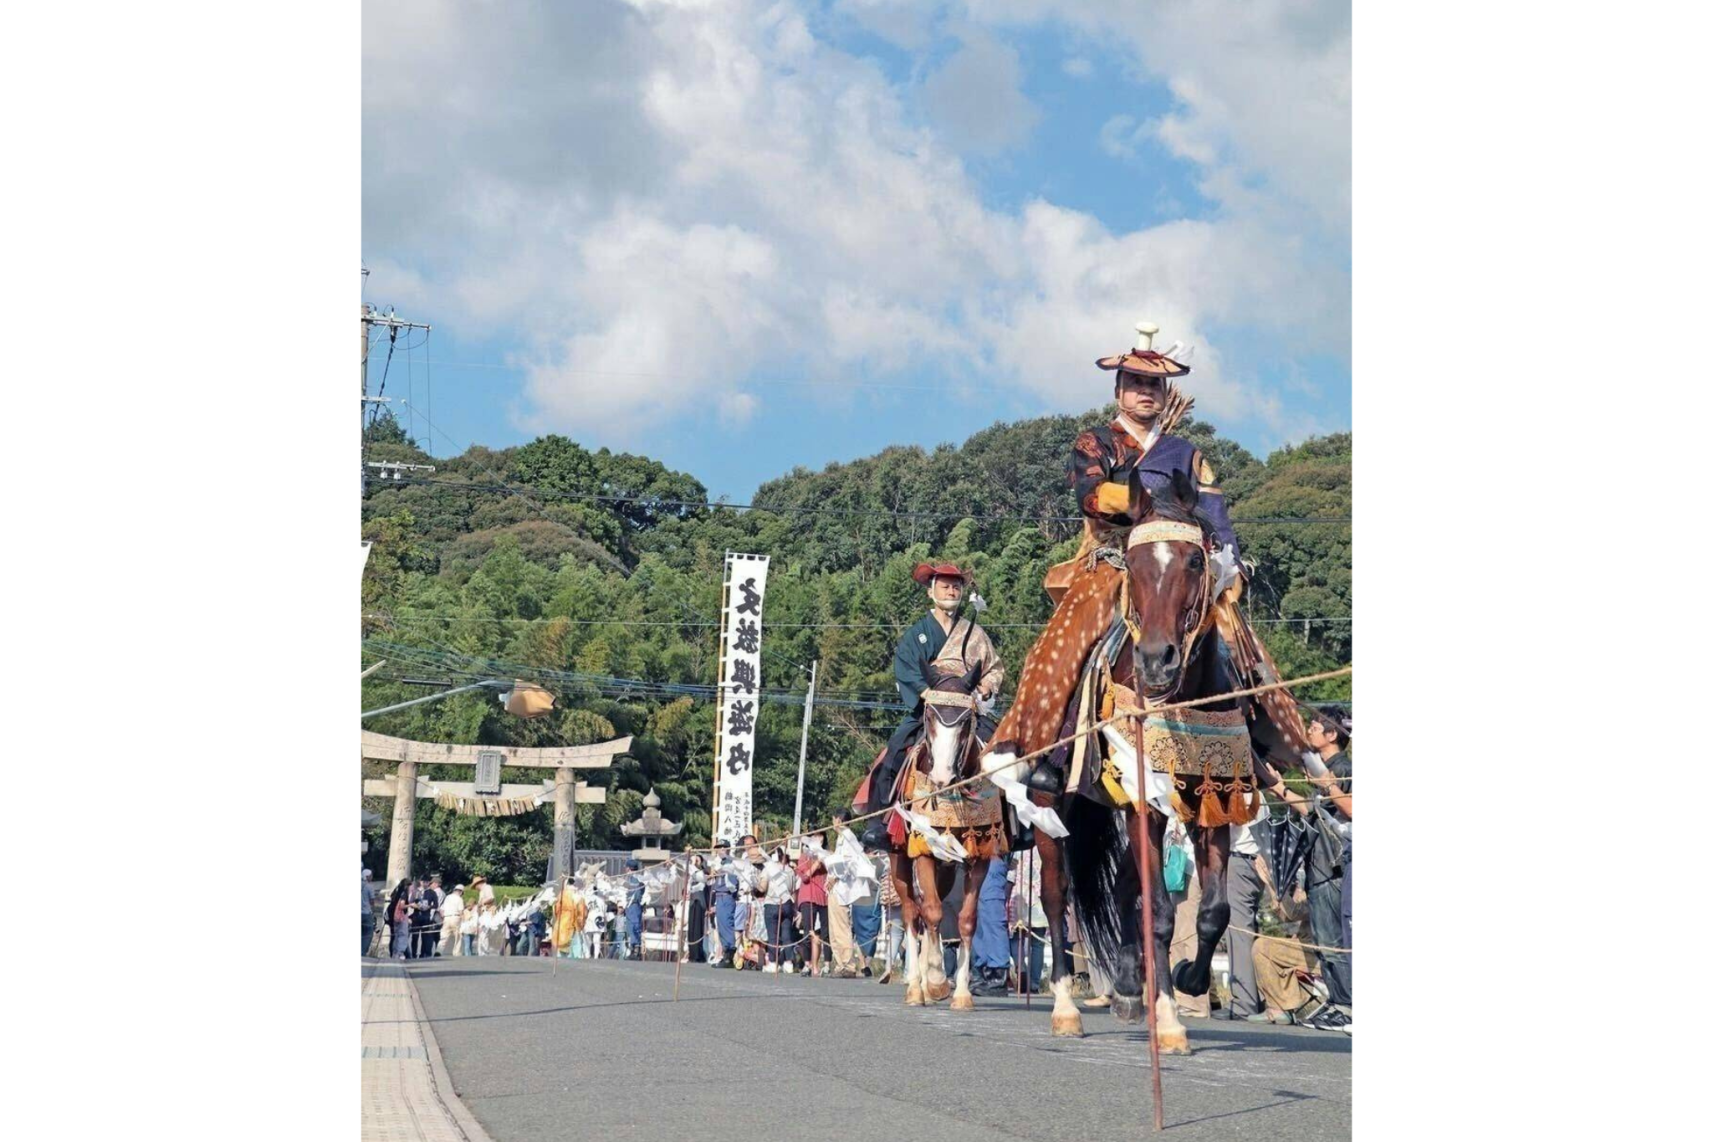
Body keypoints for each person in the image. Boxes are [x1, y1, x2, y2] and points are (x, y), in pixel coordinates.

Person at [857, 562, 1005, 848]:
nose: (952, 590)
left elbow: (994, 668)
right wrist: (927, 693)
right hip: (931, 707)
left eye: (956, 586)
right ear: (931, 591)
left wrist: (987, 686)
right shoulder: (918, 634)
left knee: (1005, 753)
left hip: (967, 708)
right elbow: (906, 667)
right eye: (945, 585)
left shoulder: (975, 632)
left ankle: (1013, 824)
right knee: (893, 754)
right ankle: (880, 823)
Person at [971, 855, 1011, 996]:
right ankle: (980, 972)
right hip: (975, 855)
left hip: (994, 852)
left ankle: (997, 976)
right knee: (976, 915)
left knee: (991, 912)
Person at [1008, 848, 1046, 995]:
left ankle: (1022, 969)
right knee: (1038, 943)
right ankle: (1034, 983)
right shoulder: (1045, 844)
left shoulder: (1018, 847)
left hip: (1019, 895)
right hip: (1039, 896)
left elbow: (1011, 873)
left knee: (1016, 939)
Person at [759, 845, 799, 974]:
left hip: (772, 903)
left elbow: (762, 887)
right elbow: (793, 889)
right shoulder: (790, 871)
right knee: (787, 934)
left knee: (773, 935)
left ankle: (773, 962)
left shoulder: (769, 869)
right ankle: (789, 963)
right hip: (787, 904)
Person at [795, 839, 830, 976]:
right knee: (808, 932)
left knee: (825, 933)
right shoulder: (804, 857)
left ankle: (826, 965)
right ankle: (807, 963)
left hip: (824, 898)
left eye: (821, 837)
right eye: (816, 837)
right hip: (808, 898)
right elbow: (804, 877)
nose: (818, 840)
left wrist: (824, 859)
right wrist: (816, 863)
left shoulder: (826, 856)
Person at [875, 851, 904, 984]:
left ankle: (888, 966)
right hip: (899, 895)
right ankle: (908, 970)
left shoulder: (882, 857)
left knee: (896, 935)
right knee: (907, 935)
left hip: (891, 896)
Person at [710, 841, 739, 967]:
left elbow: (733, 882)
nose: (720, 850)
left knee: (727, 923)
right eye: (718, 848)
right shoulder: (719, 863)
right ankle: (724, 953)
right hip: (719, 895)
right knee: (720, 925)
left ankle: (729, 953)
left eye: (722, 848)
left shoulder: (732, 863)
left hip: (727, 895)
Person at [621, 858, 647, 960]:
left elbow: (637, 893)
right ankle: (632, 948)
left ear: (629, 868)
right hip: (629, 905)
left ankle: (636, 950)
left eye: (626, 867)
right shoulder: (629, 878)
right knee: (630, 927)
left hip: (634, 904)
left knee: (634, 926)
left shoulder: (637, 879)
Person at [686, 855, 709, 964]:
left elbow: (703, 882)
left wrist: (696, 864)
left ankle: (698, 953)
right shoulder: (691, 873)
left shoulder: (702, 872)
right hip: (692, 901)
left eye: (697, 860)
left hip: (700, 901)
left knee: (698, 928)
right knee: (691, 928)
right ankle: (692, 952)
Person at [387, 879, 413, 960]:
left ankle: (395, 953)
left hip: (395, 917)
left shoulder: (397, 891)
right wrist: (411, 905)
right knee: (403, 934)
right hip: (401, 917)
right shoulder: (404, 893)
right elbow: (402, 906)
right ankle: (400, 952)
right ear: (407, 886)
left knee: (396, 935)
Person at [442, 884, 466, 958]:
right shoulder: (459, 899)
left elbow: (442, 909)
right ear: (461, 892)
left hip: (446, 917)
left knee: (444, 935)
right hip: (455, 917)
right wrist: (464, 921)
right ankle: (456, 952)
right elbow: (461, 911)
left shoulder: (447, 897)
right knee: (458, 936)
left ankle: (438, 950)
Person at [361, 868, 377, 958]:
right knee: (368, 934)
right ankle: (362, 952)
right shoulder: (369, 886)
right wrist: (373, 911)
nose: (372, 877)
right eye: (370, 876)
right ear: (367, 877)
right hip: (366, 913)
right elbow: (372, 901)